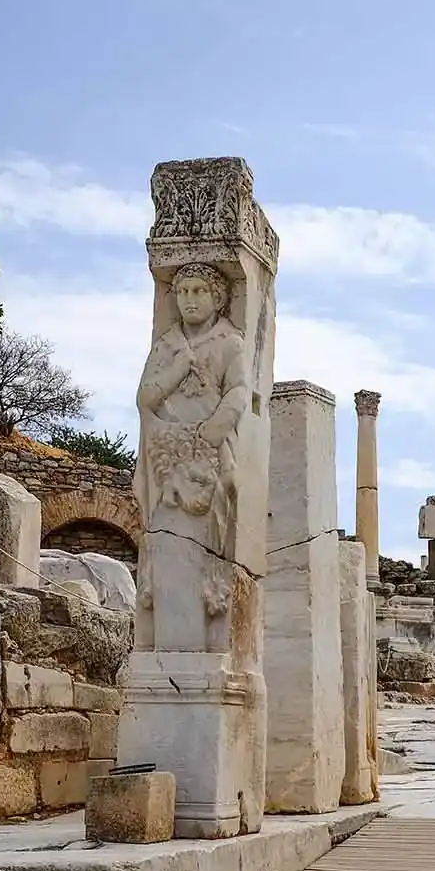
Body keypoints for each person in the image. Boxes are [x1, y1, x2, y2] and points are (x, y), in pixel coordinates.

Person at [135, 262, 249, 649]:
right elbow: (145, 398)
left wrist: (209, 434)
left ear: (217, 297)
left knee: (208, 554)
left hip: (209, 458)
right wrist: (178, 367)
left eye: (199, 291)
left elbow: (237, 393)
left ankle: (205, 646)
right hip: (165, 460)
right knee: (167, 550)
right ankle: (167, 649)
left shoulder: (230, 342)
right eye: (183, 292)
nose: (189, 300)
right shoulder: (167, 345)